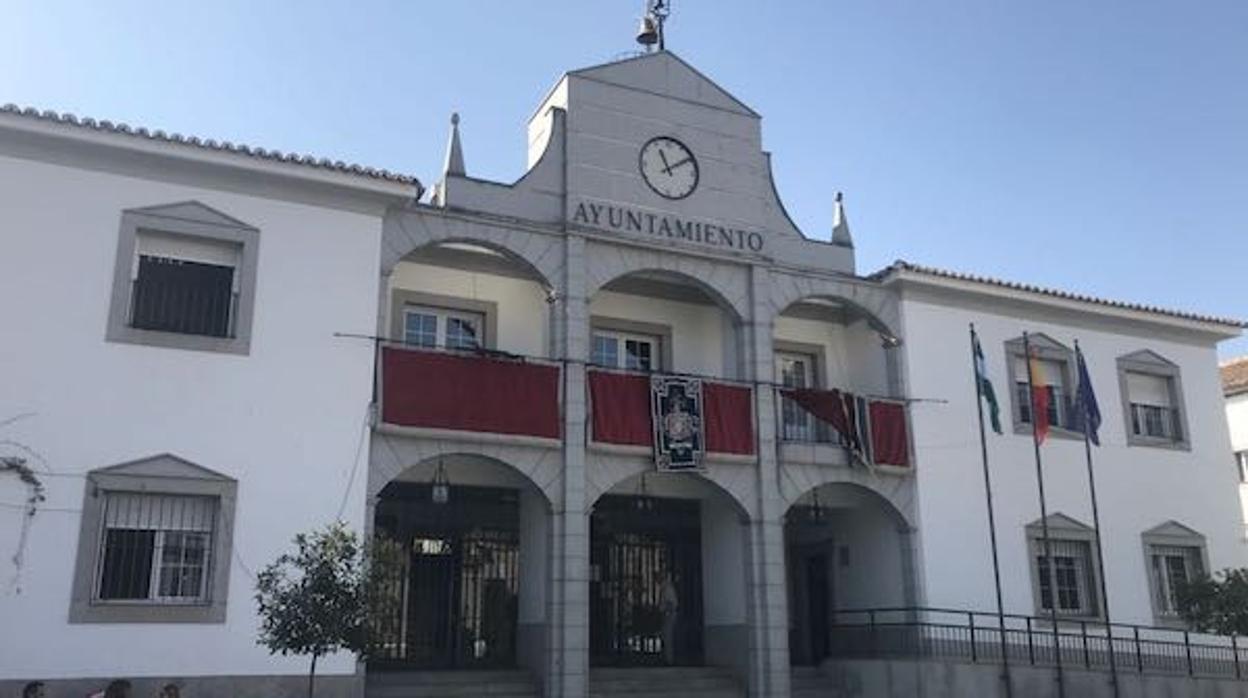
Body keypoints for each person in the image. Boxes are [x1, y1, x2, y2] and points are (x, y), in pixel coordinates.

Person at [660, 570, 679, 665]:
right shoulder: (666, 587)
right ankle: (668, 658)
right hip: (669, 615)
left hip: (669, 615)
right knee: (666, 636)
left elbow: (670, 603)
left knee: (668, 637)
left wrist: (666, 612)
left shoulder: (667, 588)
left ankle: (669, 660)